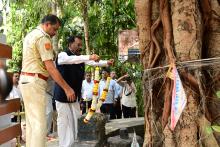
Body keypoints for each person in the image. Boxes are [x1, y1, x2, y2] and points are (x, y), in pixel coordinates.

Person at [19, 14, 75, 147]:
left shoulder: (30, 35)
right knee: (40, 124)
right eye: (54, 29)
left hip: (26, 80)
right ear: (47, 24)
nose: (55, 33)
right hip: (35, 81)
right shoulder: (43, 38)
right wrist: (67, 88)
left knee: (32, 123)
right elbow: (50, 67)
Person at [53, 35, 114, 147]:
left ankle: (74, 143)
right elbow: (71, 60)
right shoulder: (63, 55)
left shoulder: (80, 57)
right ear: (70, 44)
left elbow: (93, 63)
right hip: (62, 96)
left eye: (81, 45)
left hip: (75, 97)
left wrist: (106, 63)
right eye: (78, 45)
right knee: (64, 122)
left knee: (76, 121)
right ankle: (65, 145)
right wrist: (89, 57)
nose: (80, 47)